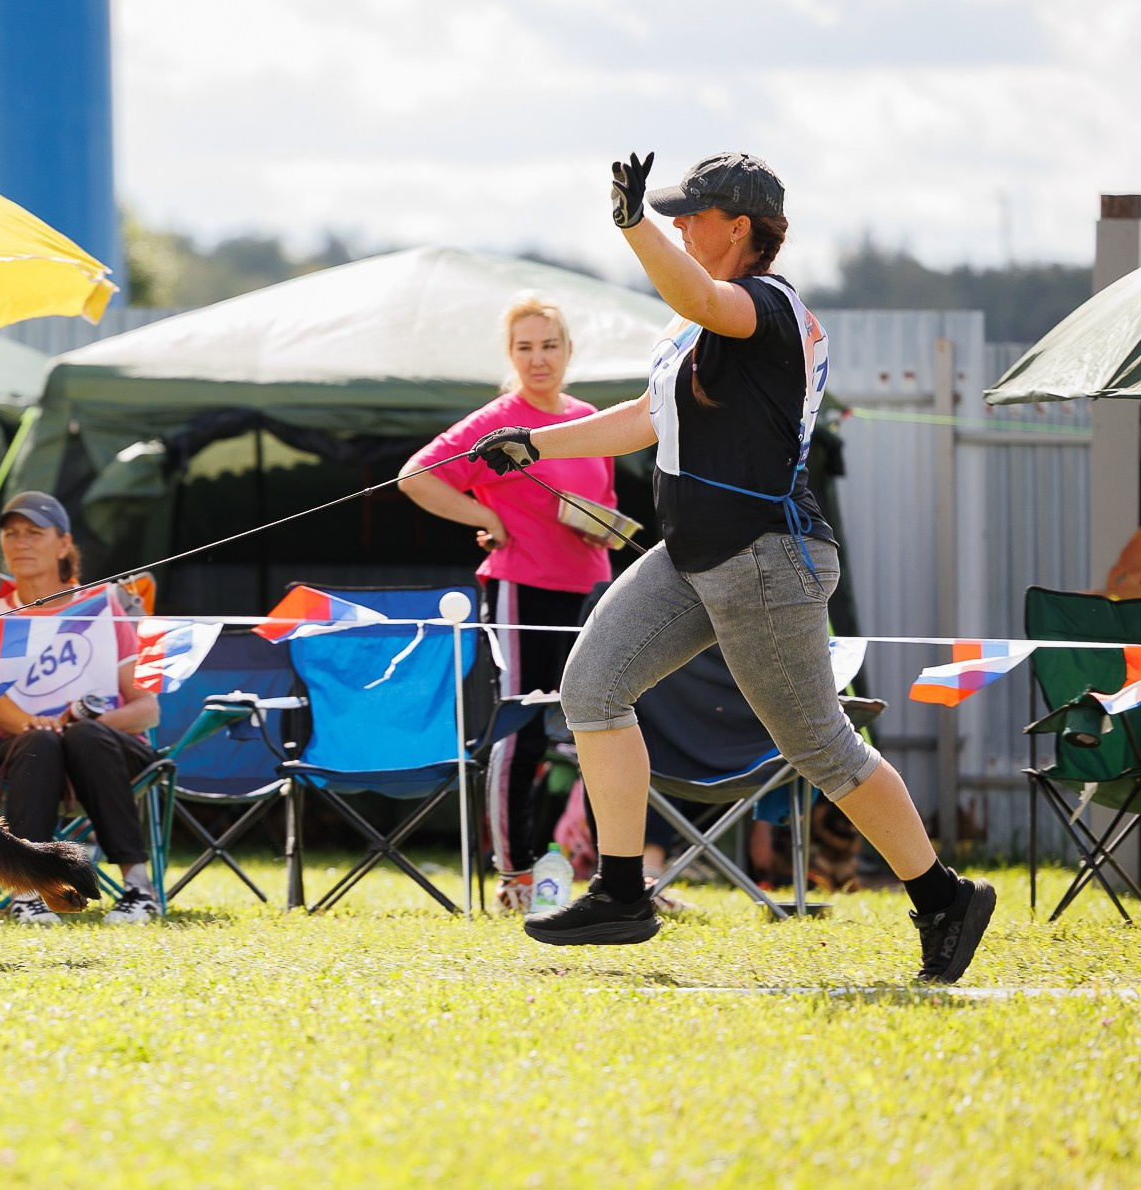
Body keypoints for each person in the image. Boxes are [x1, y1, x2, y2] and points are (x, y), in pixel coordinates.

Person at [473, 151, 994, 983]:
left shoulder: (765, 307)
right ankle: (620, 892)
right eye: (667, 215)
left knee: (823, 748)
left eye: (691, 215)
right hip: (691, 554)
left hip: (764, 558)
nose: (679, 224)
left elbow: (698, 293)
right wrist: (534, 443)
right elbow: (646, 417)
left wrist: (631, 223)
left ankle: (943, 897)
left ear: (740, 227)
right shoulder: (694, 326)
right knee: (593, 688)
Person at [400, 294, 621, 911]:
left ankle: (613, 871)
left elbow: (596, 502)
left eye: (549, 344)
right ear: (511, 356)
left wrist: (602, 527)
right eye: (524, 347)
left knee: (598, 725)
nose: (538, 358)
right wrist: (484, 514)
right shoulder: (498, 419)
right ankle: (515, 876)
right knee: (521, 725)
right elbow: (416, 475)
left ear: (569, 350)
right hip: (521, 586)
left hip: (589, 587)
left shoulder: (587, 419)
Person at [0, 492, 162, 925]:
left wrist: (76, 725)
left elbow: (148, 709)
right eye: (11, 533)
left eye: (34, 533)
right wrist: (41, 726)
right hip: (21, 749)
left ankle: (138, 890)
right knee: (40, 739)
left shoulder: (109, 605)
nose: (20, 543)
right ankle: (29, 891)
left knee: (84, 735)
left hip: (109, 748)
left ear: (63, 544)